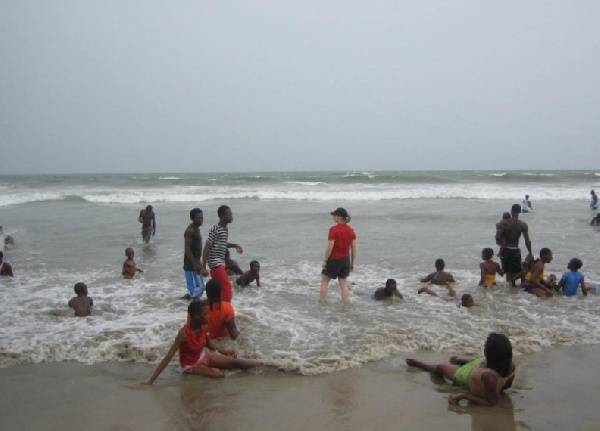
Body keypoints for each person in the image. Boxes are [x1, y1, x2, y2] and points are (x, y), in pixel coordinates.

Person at [144, 300, 261, 384]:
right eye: (205, 314)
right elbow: (167, 358)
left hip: (204, 356)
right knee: (219, 375)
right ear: (196, 316)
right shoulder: (183, 334)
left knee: (236, 363)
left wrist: (224, 352)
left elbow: (209, 345)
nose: (208, 317)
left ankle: (267, 363)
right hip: (190, 365)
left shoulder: (203, 327)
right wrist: (150, 381)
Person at [406, 333, 516, 406]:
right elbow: (507, 385)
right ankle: (460, 361)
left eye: (485, 346)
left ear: (490, 353)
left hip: (467, 375)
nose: (484, 347)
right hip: (480, 365)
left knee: (440, 367)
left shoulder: (488, 377)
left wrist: (465, 395)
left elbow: (494, 404)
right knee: (456, 359)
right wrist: (497, 389)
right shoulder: (510, 365)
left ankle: (420, 364)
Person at [201, 205, 243, 303]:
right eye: (229, 214)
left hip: (220, 264)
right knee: (227, 289)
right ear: (222, 216)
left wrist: (235, 245)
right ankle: (225, 310)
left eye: (231, 214)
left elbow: (222, 244)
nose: (231, 216)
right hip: (215, 264)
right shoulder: (215, 229)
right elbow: (207, 247)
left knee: (220, 290)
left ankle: (217, 309)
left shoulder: (224, 230)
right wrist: (203, 267)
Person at [320, 207, 357, 303]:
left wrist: (325, 260)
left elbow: (330, 247)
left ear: (339, 217)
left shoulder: (334, 229)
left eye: (334, 215)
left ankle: (322, 302)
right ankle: (345, 305)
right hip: (345, 260)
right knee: (343, 284)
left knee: (325, 281)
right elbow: (353, 249)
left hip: (334, 259)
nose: (333, 217)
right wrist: (352, 263)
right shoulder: (351, 230)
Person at [495, 204, 533, 287]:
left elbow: (498, 236)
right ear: (519, 212)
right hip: (515, 250)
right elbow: (527, 240)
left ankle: (511, 285)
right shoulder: (523, 225)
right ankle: (513, 286)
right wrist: (530, 252)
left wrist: (501, 242)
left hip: (505, 250)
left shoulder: (504, 223)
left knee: (508, 271)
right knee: (517, 270)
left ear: (511, 211)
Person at [184, 208, 209, 299]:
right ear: (192, 218)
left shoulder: (196, 229)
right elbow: (187, 249)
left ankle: (183, 302)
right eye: (198, 218)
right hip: (191, 265)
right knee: (196, 290)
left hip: (196, 262)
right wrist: (195, 264)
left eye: (202, 217)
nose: (201, 220)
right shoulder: (190, 230)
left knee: (199, 289)